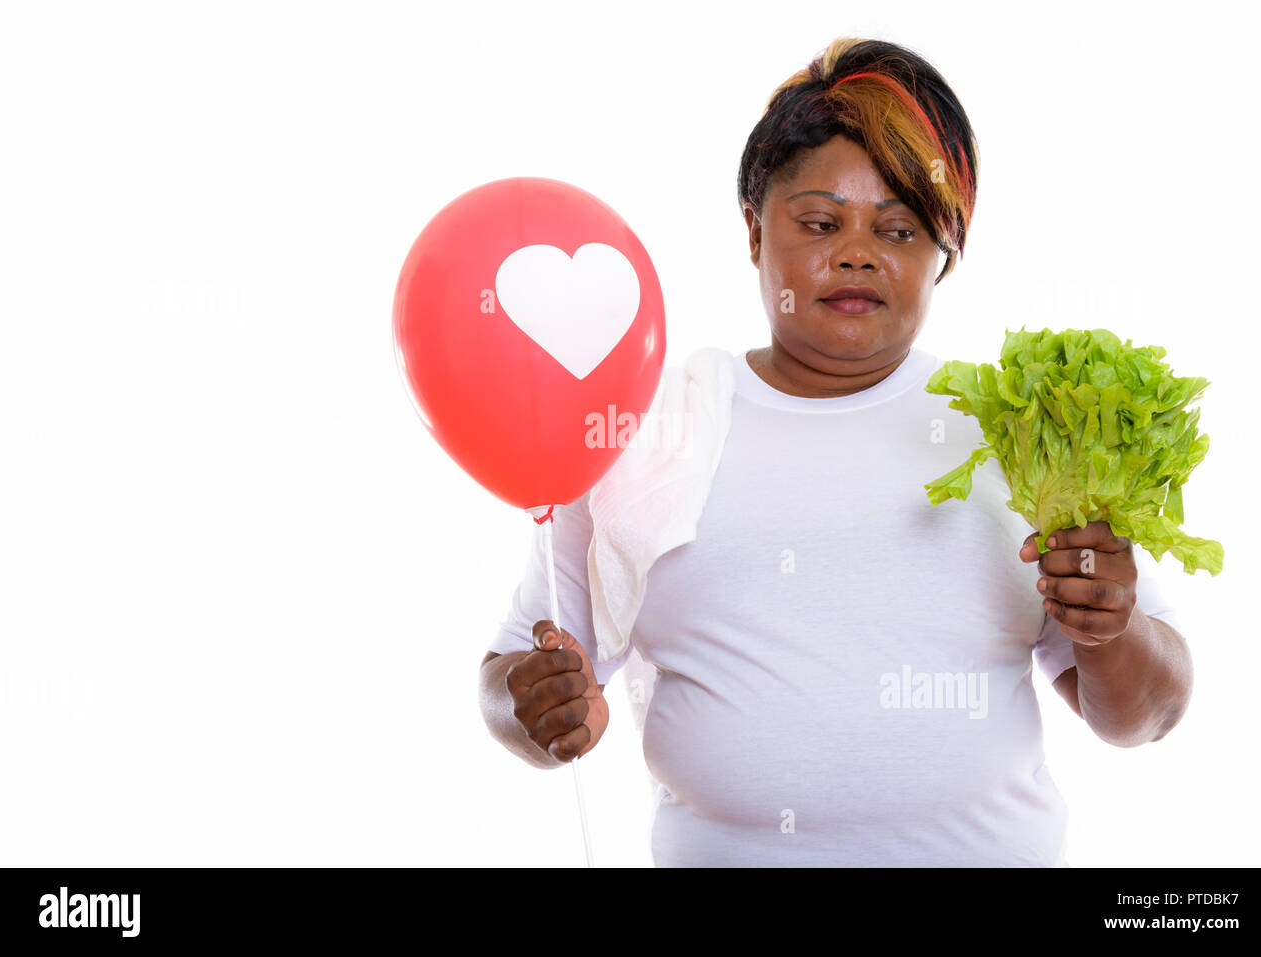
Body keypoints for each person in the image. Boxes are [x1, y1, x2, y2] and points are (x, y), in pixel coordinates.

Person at [477, 35, 1193, 866]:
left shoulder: (1018, 431)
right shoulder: (647, 430)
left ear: (944, 256)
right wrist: (529, 707)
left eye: (897, 230)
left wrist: (1112, 628)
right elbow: (511, 675)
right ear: (754, 231)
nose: (857, 252)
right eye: (820, 221)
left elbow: (1146, 716)